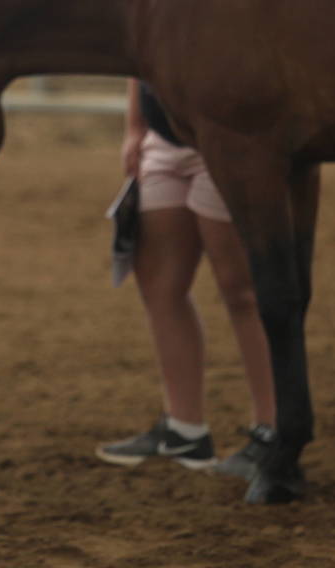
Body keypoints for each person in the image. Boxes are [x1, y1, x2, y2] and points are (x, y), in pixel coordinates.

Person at [95, 79, 278, 479]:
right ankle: (185, 430)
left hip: (225, 140)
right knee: (160, 285)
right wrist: (134, 129)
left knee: (240, 289)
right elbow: (140, 51)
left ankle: (272, 431)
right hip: (163, 142)